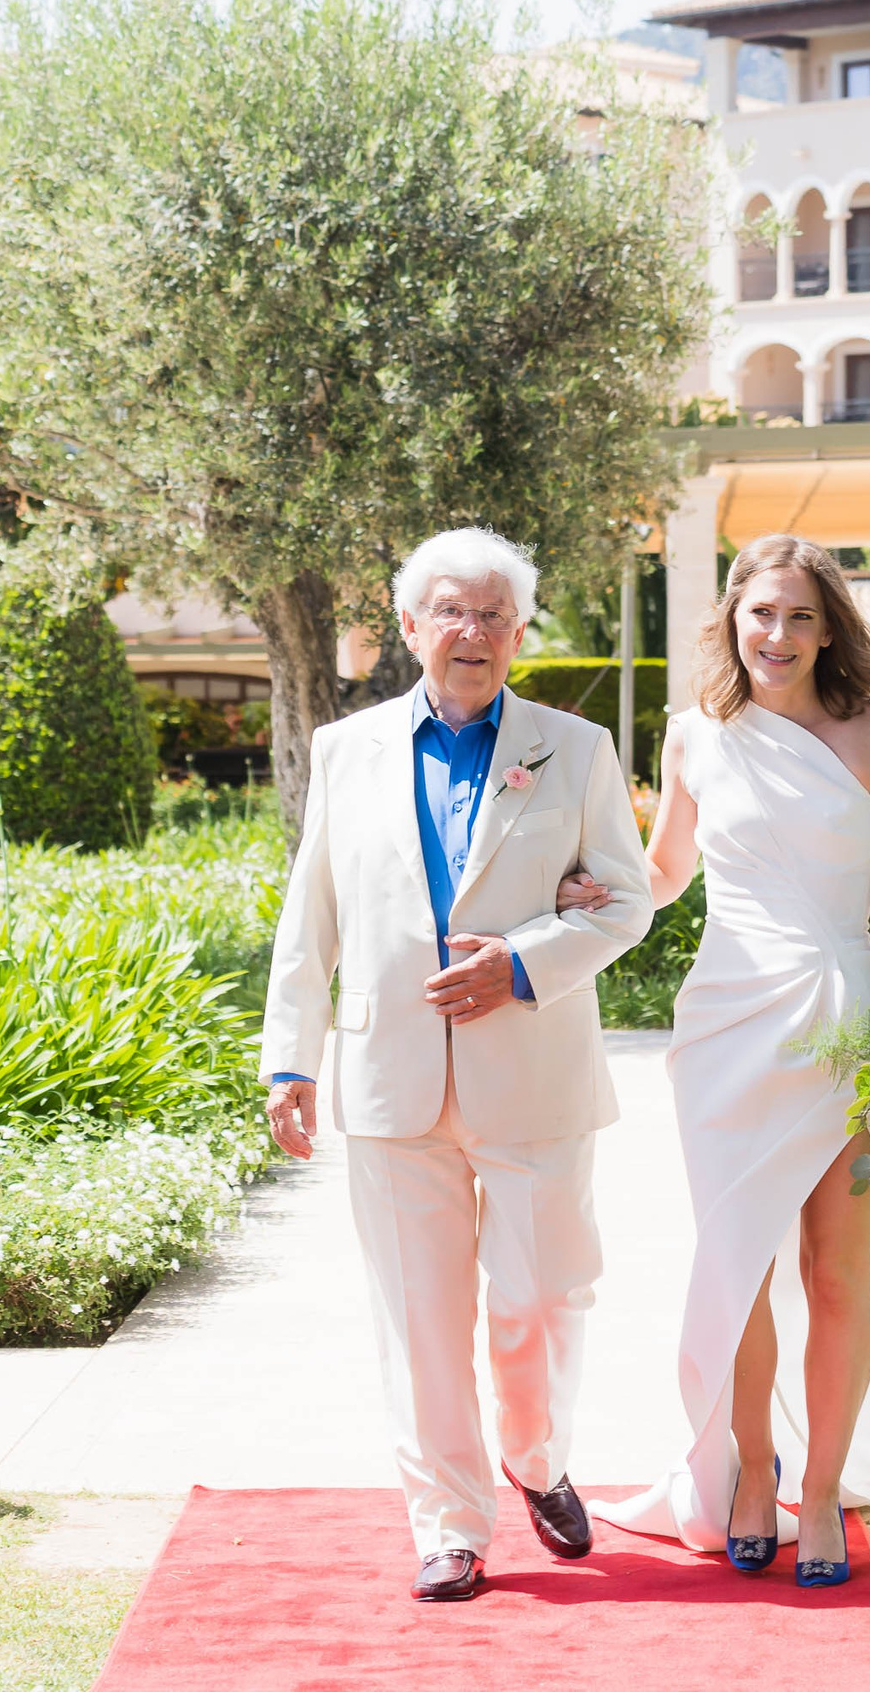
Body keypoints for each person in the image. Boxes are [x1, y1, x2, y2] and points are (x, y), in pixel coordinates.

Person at [571, 534, 870, 1586]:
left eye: (798, 617)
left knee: (838, 1276)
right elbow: (665, 870)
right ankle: (748, 1472)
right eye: (759, 614)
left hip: (851, 1026)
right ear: (731, 619)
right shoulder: (693, 737)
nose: (775, 635)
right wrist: (587, 897)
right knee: (740, 1270)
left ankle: (819, 1491)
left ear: (828, 630)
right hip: (727, 1030)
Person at [260, 528, 653, 1603]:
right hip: (389, 1083)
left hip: (534, 1079)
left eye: (491, 614)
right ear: (408, 627)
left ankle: (538, 1460)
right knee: (420, 1324)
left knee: (543, 1299)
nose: (469, 631)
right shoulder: (347, 751)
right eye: (449, 610)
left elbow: (628, 900)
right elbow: (313, 919)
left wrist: (521, 964)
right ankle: (448, 1526)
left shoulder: (576, 751)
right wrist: (287, 1062)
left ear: (518, 633)